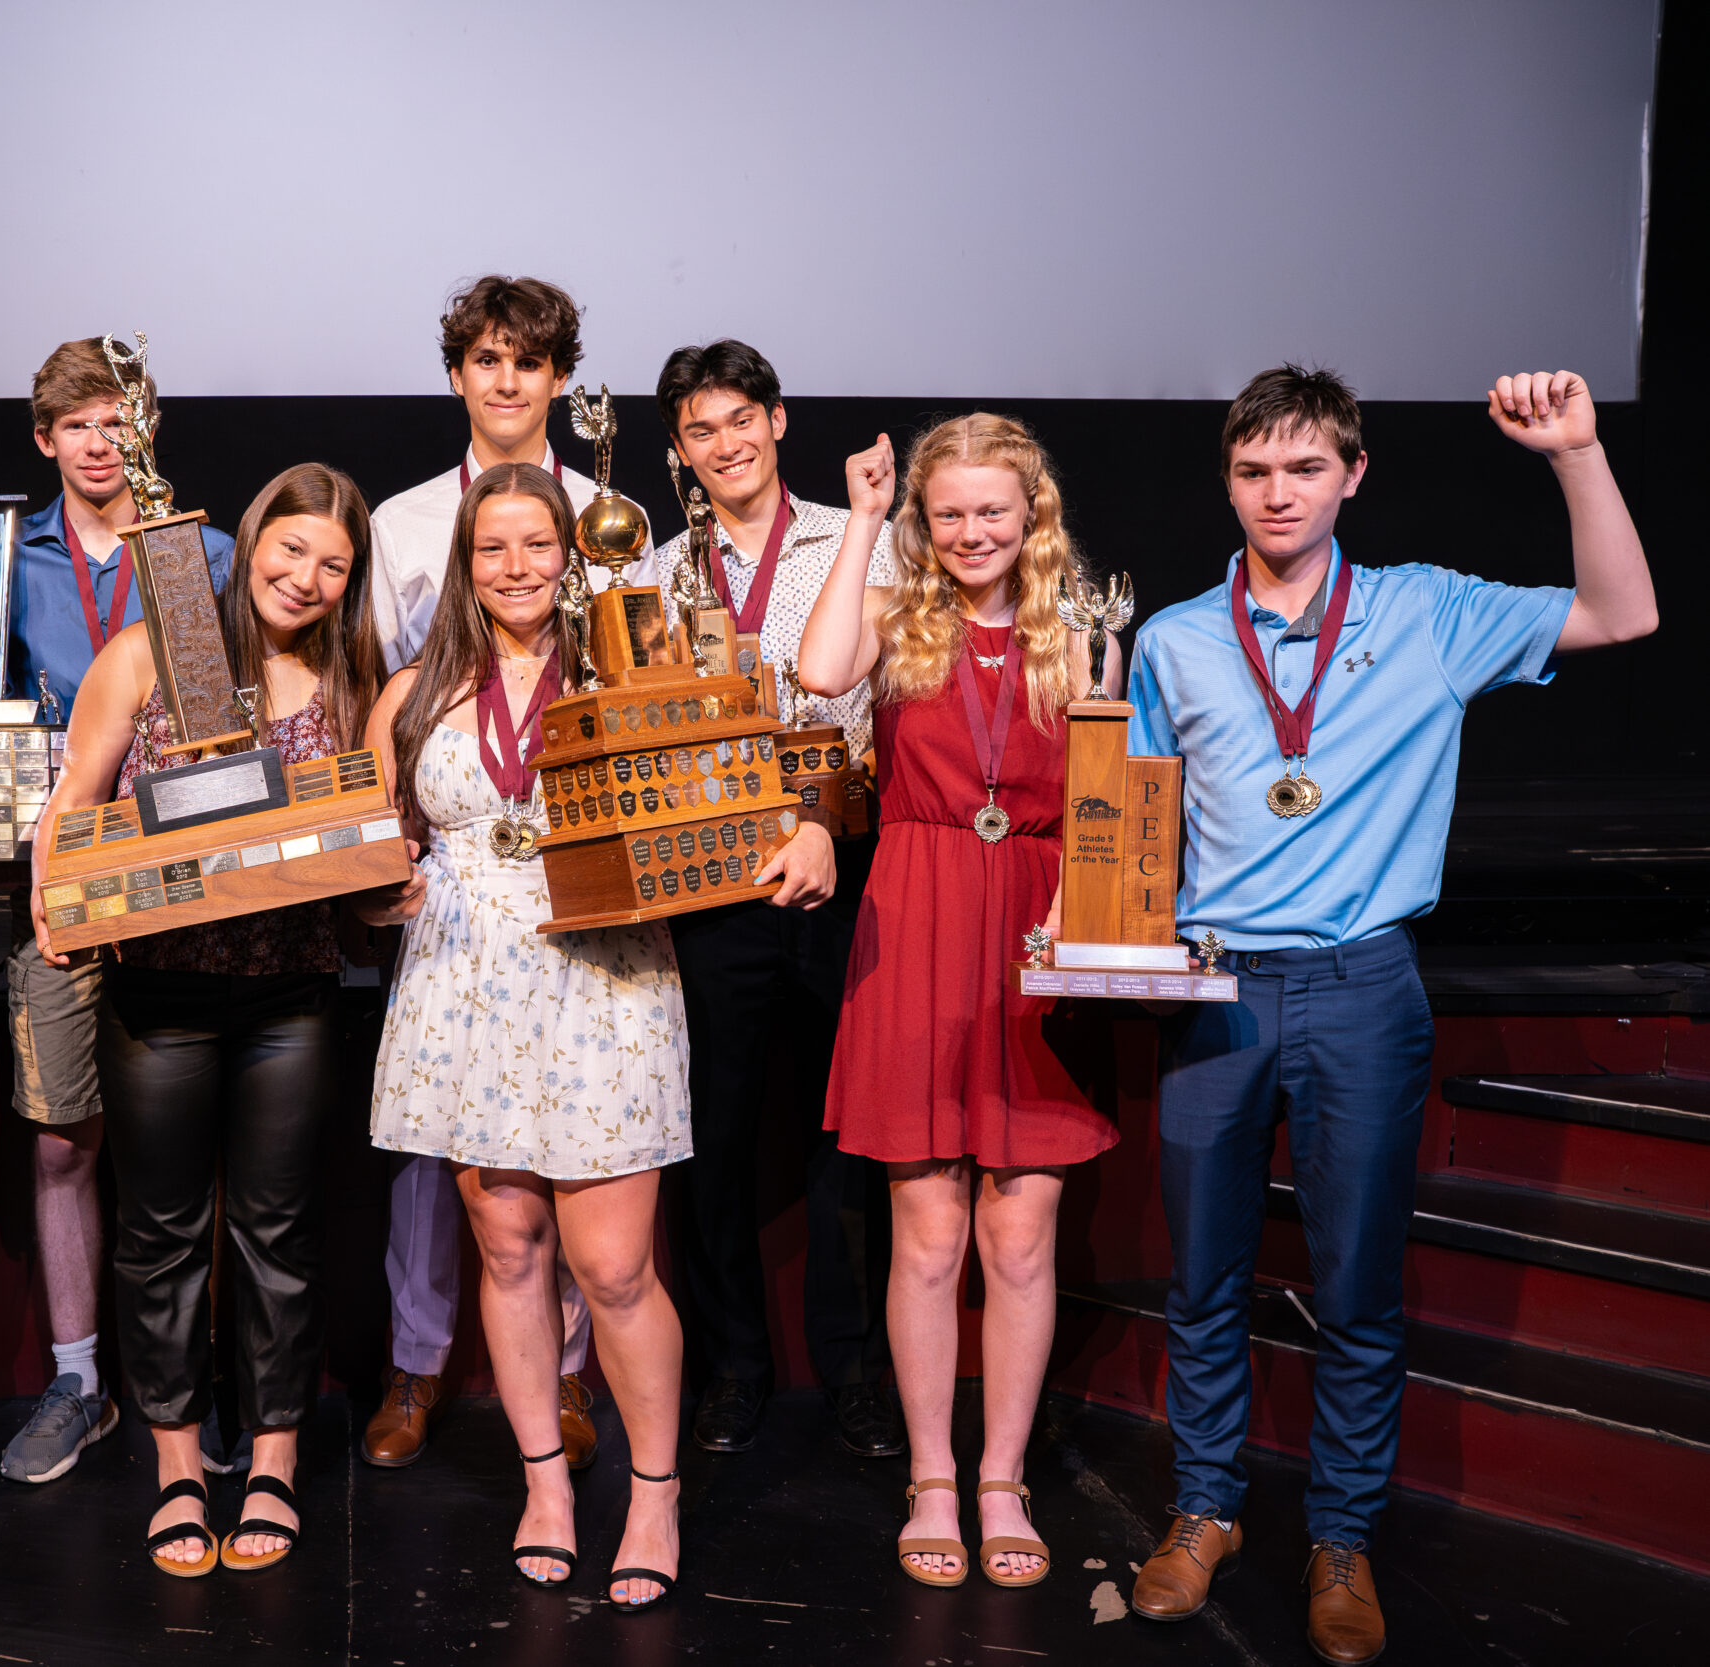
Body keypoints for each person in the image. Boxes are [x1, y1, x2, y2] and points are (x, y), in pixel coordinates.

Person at [1122, 367, 1654, 1665]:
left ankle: (1343, 1531)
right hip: (1219, 985)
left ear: (1352, 474)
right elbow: (1131, 832)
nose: (1278, 492)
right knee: (1203, 1275)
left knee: (1358, 1282)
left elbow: (1624, 612)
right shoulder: (1177, 639)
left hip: (1364, 983)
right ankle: (1206, 1507)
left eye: (1305, 467)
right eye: (1254, 470)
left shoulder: (1428, 611)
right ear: (1228, 483)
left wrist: (1577, 453)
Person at [25, 463, 381, 1576]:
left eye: (333, 563)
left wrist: (388, 881)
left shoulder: (352, 678)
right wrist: (53, 904)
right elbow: (71, 802)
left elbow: (366, 833)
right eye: (290, 549)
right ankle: (179, 1465)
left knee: (276, 1231)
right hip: (158, 990)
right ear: (248, 543)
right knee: (161, 1234)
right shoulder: (143, 654)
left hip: (292, 993)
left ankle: (271, 1456)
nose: (306, 577)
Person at [361, 464, 690, 1611]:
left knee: (612, 1266)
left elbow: (703, 790)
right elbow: (371, 852)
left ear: (571, 554)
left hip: (601, 975)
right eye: (492, 547)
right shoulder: (410, 692)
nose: (516, 567)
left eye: (536, 545)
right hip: (461, 987)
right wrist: (376, 894)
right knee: (505, 1248)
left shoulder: (631, 667)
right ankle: (542, 1483)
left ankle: (654, 1491)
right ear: (465, 561)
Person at [799, 413, 1115, 1590]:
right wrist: (868, 520)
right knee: (926, 1230)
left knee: (1020, 1231)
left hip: (1037, 923)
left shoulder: (1078, 635)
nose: (973, 530)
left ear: (1031, 511)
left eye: (993, 508)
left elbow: (1116, 790)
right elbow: (820, 672)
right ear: (924, 526)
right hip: (917, 916)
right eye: (949, 512)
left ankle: (1002, 1475)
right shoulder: (894, 616)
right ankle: (933, 1470)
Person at [361, 275, 650, 1470]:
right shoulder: (404, 519)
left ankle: (574, 1374)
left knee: (578, 1150)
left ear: (559, 381)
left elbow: (637, 696)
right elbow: (394, 692)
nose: (505, 380)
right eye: (484, 359)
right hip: (459, 884)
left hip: (580, 889)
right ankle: (414, 1362)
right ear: (456, 376)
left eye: (528, 362)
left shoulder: (617, 518)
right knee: (445, 1157)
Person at [651, 339, 902, 1460]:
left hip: (845, 863)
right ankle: (733, 1369)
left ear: (778, 420)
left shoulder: (866, 541)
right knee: (713, 1141)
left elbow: (880, 711)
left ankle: (856, 1371)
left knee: (849, 1134)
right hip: (711, 884)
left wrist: (815, 819)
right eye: (701, 430)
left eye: (740, 418)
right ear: (678, 451)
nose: (724, 443)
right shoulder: (654, 572)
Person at [0, 339, 237, 1484]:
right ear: (44, 438)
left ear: (148, 432)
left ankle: (201, 1379)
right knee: (60, 1137)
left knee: (198, 1141)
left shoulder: (211, 553)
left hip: (190, 882)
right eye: (78, 425)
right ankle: (81, 1377)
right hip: (57, 876)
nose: (101, 445)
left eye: (119, 423)